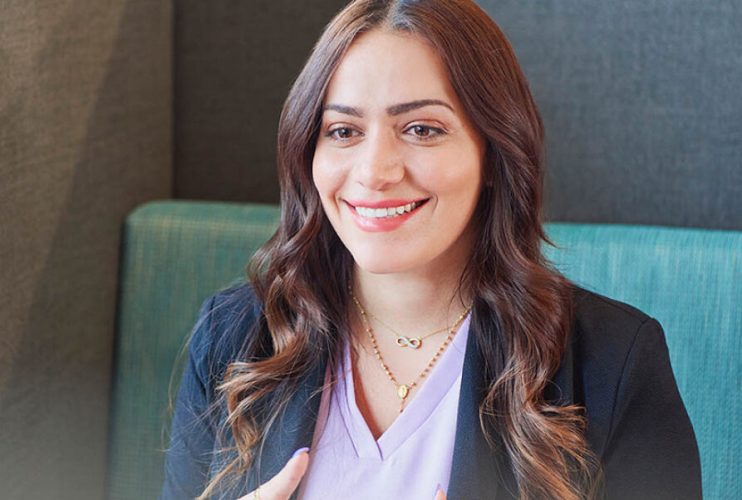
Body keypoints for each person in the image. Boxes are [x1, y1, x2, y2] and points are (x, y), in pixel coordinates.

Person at [160, 1, 702, 499]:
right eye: (343, 131)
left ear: (494, 154)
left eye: (421, 128)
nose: (374, 172)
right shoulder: (231, 339)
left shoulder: (612, 362)